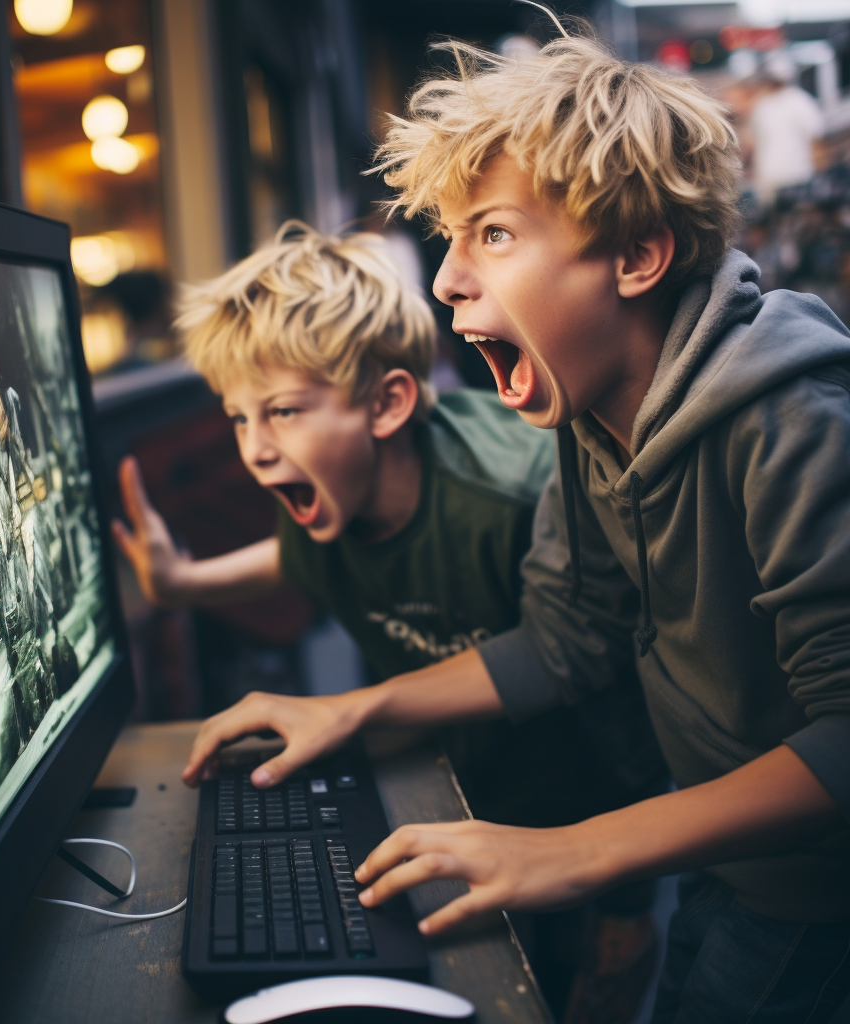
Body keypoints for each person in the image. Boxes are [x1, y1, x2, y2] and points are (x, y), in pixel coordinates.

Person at [181, 33, 850, 1023]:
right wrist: (350, 711)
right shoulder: (591, 418)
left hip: (808, 893)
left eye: (490, 233)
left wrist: (577, 848)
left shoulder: (790, 424)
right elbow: (563, 638)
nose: (446, 281)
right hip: (728, 859)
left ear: (635, 255)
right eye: (448, 239)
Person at [113, 222, 669, 1018]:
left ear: (387, 404)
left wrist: (627, 897)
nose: (257, 449)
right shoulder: (334, 502)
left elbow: (581, 660)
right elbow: (296, 556)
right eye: (238, 419)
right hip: (469, 791)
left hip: (592, 813)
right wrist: (184, 583)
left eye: (283, 411)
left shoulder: (510, 498)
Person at [748, 51, 824, 205]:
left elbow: (816, 141)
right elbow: (755, 142)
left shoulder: (799, 101)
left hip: (796, 176)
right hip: (771, 178)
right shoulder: (762, 105)